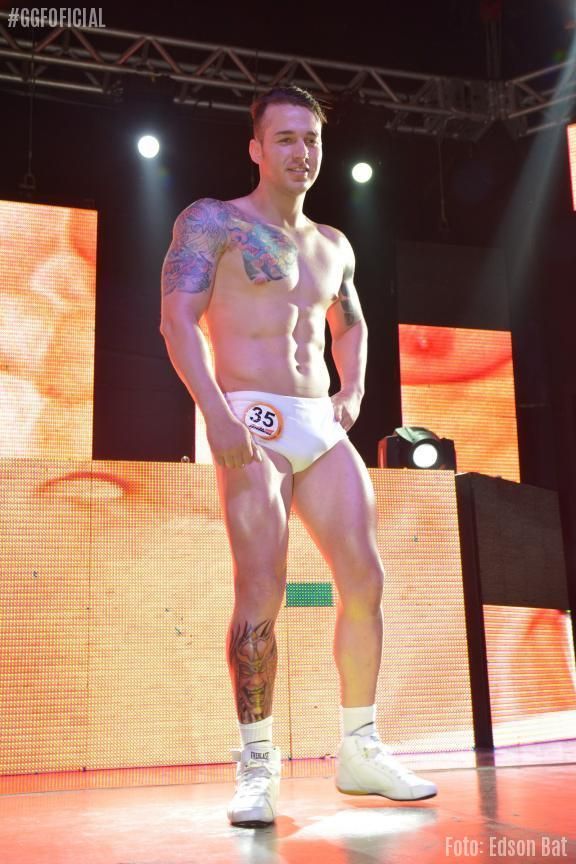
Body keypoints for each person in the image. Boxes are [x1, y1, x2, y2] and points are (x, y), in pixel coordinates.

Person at [160, 84, 437, 827]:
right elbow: (177, 322)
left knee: (366, 578)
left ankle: (360, 748)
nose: (301, 151)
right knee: (262, 591)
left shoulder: (333, 244)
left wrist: (354, 392)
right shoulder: (213, 222)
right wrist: (215, 414)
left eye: (310, 138)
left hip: (319, 422)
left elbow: (352, 324)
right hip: (248, 417)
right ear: (256, 149)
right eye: (285, 138)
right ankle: (256, 764)